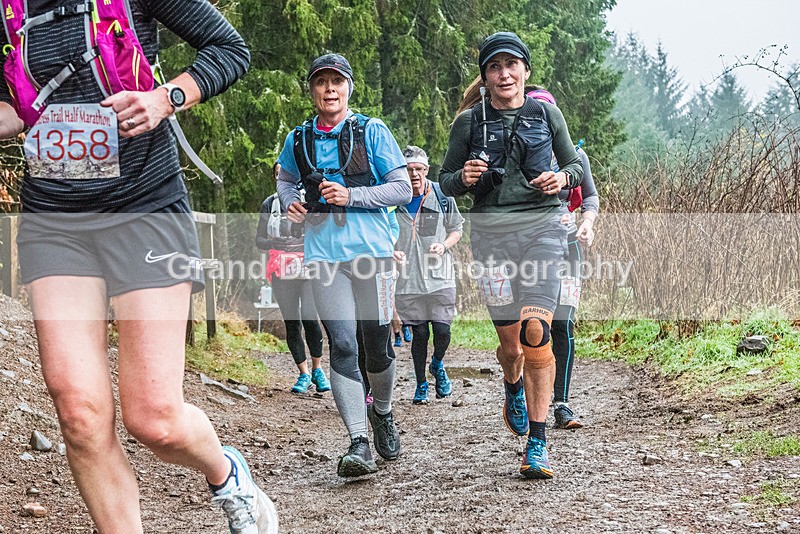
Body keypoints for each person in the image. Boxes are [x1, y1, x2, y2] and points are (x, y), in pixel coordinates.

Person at [0, 1, 276, 532]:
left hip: (143, 206)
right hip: (54, 218)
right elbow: (14, 105)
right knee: (79, 417)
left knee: (155, 420)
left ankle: (228, 475)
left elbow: (230, 49)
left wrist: (164, 97)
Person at [439, 32, 584, 479]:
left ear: (525, 70)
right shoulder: (469, 123)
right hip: (491, 237)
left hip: (543, 229)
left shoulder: (547, 113)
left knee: (537, 330)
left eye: (511, 65)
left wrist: (561, 178)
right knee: (510, 341)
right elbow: (443, 181)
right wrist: (462, 177)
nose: (504, 73)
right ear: (485, 78)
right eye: (495, 67)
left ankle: (537, 443)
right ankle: (512, 384)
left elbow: (578, 166)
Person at [276, 53, 412, 477]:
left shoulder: (371, 131)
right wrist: (290, 202)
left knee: (376, 344)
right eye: (321, 83)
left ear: (349, 87)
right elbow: (283, 179)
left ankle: (383, 412)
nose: (329, 89)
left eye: (337, 81)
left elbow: (402, 188)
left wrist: (351, 197)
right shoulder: (298, 139)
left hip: (371, 254)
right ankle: (358, 441)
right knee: (344, 345)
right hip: (323, 258)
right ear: (312, 89)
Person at [526, 88, 600, 430]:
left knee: (564, 323)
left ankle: (562, 403)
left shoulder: (576, 157)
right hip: (529, 251)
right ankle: (525, 391)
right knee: (532, 325)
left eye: (546, 112)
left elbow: (591, 197)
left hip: (569, 248)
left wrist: (586, 223)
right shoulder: (519, 154)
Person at [394, 145, 464, 405]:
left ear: (426, 170)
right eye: (409, 169)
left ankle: (437, 364)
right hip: (408, 279)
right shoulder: (393, 198)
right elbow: (382, 230)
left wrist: (444, 245)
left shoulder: (442, 195)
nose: (414, 174)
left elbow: (457, 227)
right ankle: (421, 383)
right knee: (420, 335)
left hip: (440, 276)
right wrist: (391, 251)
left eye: (419, 169)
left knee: (443, 331)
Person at [256, 163, 330, 395]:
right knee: (292, 322)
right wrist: (275, 243)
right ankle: (303, 373)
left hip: (308, 265)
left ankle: (318, 369)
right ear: (274, 178)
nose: (282, 178)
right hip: (281, 268)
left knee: (310, 316)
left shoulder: (309, 200)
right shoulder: (269, 204)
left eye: (285, 174)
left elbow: (324, 230)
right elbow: (259, 240)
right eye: (278, 175)